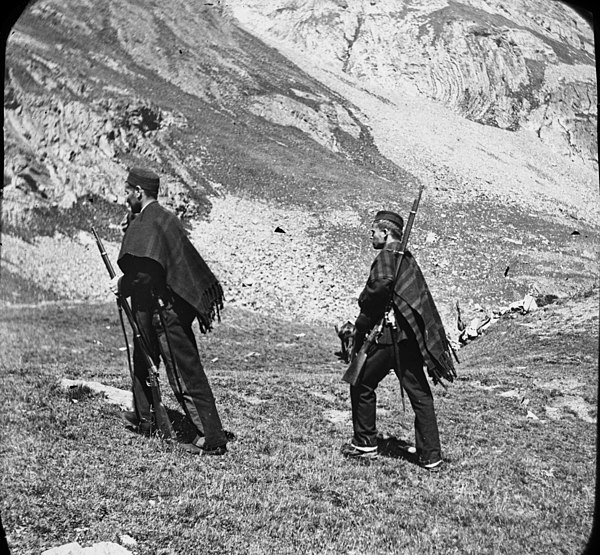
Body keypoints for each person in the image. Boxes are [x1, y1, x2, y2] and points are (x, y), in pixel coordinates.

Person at [109, 167, 229, 455]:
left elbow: (147, 274)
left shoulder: (152, 222)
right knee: (142, 358)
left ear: (139, 192)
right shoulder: (163, 219)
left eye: (127, 192)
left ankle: (211, 437)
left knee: (184, 373)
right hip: (149, 309)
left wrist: (122, 282)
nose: (125, 198)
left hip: (166, 313)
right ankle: (144, 416)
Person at [342, 210, 456, 470]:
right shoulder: (406, 258)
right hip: (409, 340)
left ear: (385, 232)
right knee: (421, 395)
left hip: (386, 339)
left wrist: (365, 304)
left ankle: (365, 443)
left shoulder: (386, 256)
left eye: (374, 231)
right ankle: (431, 456)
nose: (371, 235)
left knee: (360, 382)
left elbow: (380, 285)